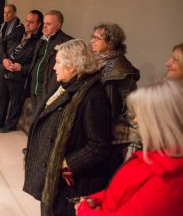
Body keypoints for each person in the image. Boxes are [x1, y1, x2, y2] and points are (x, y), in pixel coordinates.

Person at [23, 39, 112, 216]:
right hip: (52, 178)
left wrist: (67, 163)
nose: (54, 67)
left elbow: (100, 145)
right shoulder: (63, 86)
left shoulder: (93, 95)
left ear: (74, 66)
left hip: (69, 184)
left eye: (58, 62)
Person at [76, 79, 183, 215]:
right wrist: (96, 199)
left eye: (141, 114)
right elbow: (124, 191)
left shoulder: (168, 176)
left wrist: (84, 211)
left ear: (160, 121)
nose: (136, 120)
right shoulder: (158, 157)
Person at [90, 23, 141, 176]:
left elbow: (130, 104)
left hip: (110, 126)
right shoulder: (96, 62)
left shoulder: (122, 70)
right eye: (92, 37)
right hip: (95, 120)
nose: (92, 41)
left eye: (97, 38)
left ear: (110, 43)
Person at [0, 10, 42, 133]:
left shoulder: (39, 42)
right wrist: (4, 59)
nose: (27, 24)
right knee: (1, 97)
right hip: (5, 69)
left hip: (19, 76)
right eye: (27, 21)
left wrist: (21, 67)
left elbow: (35, 64)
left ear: (38, 25)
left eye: (31, 22)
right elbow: (2, 43)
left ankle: (10, 124)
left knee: (15, 101)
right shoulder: (19, 31)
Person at [27, 10, 73, 114]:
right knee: (36, 119)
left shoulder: (67, 43)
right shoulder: (41, 40)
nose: (44, 27)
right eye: (44, 23)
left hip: (49, 91)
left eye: (48, 24)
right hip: (34, 88)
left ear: (58, 26)